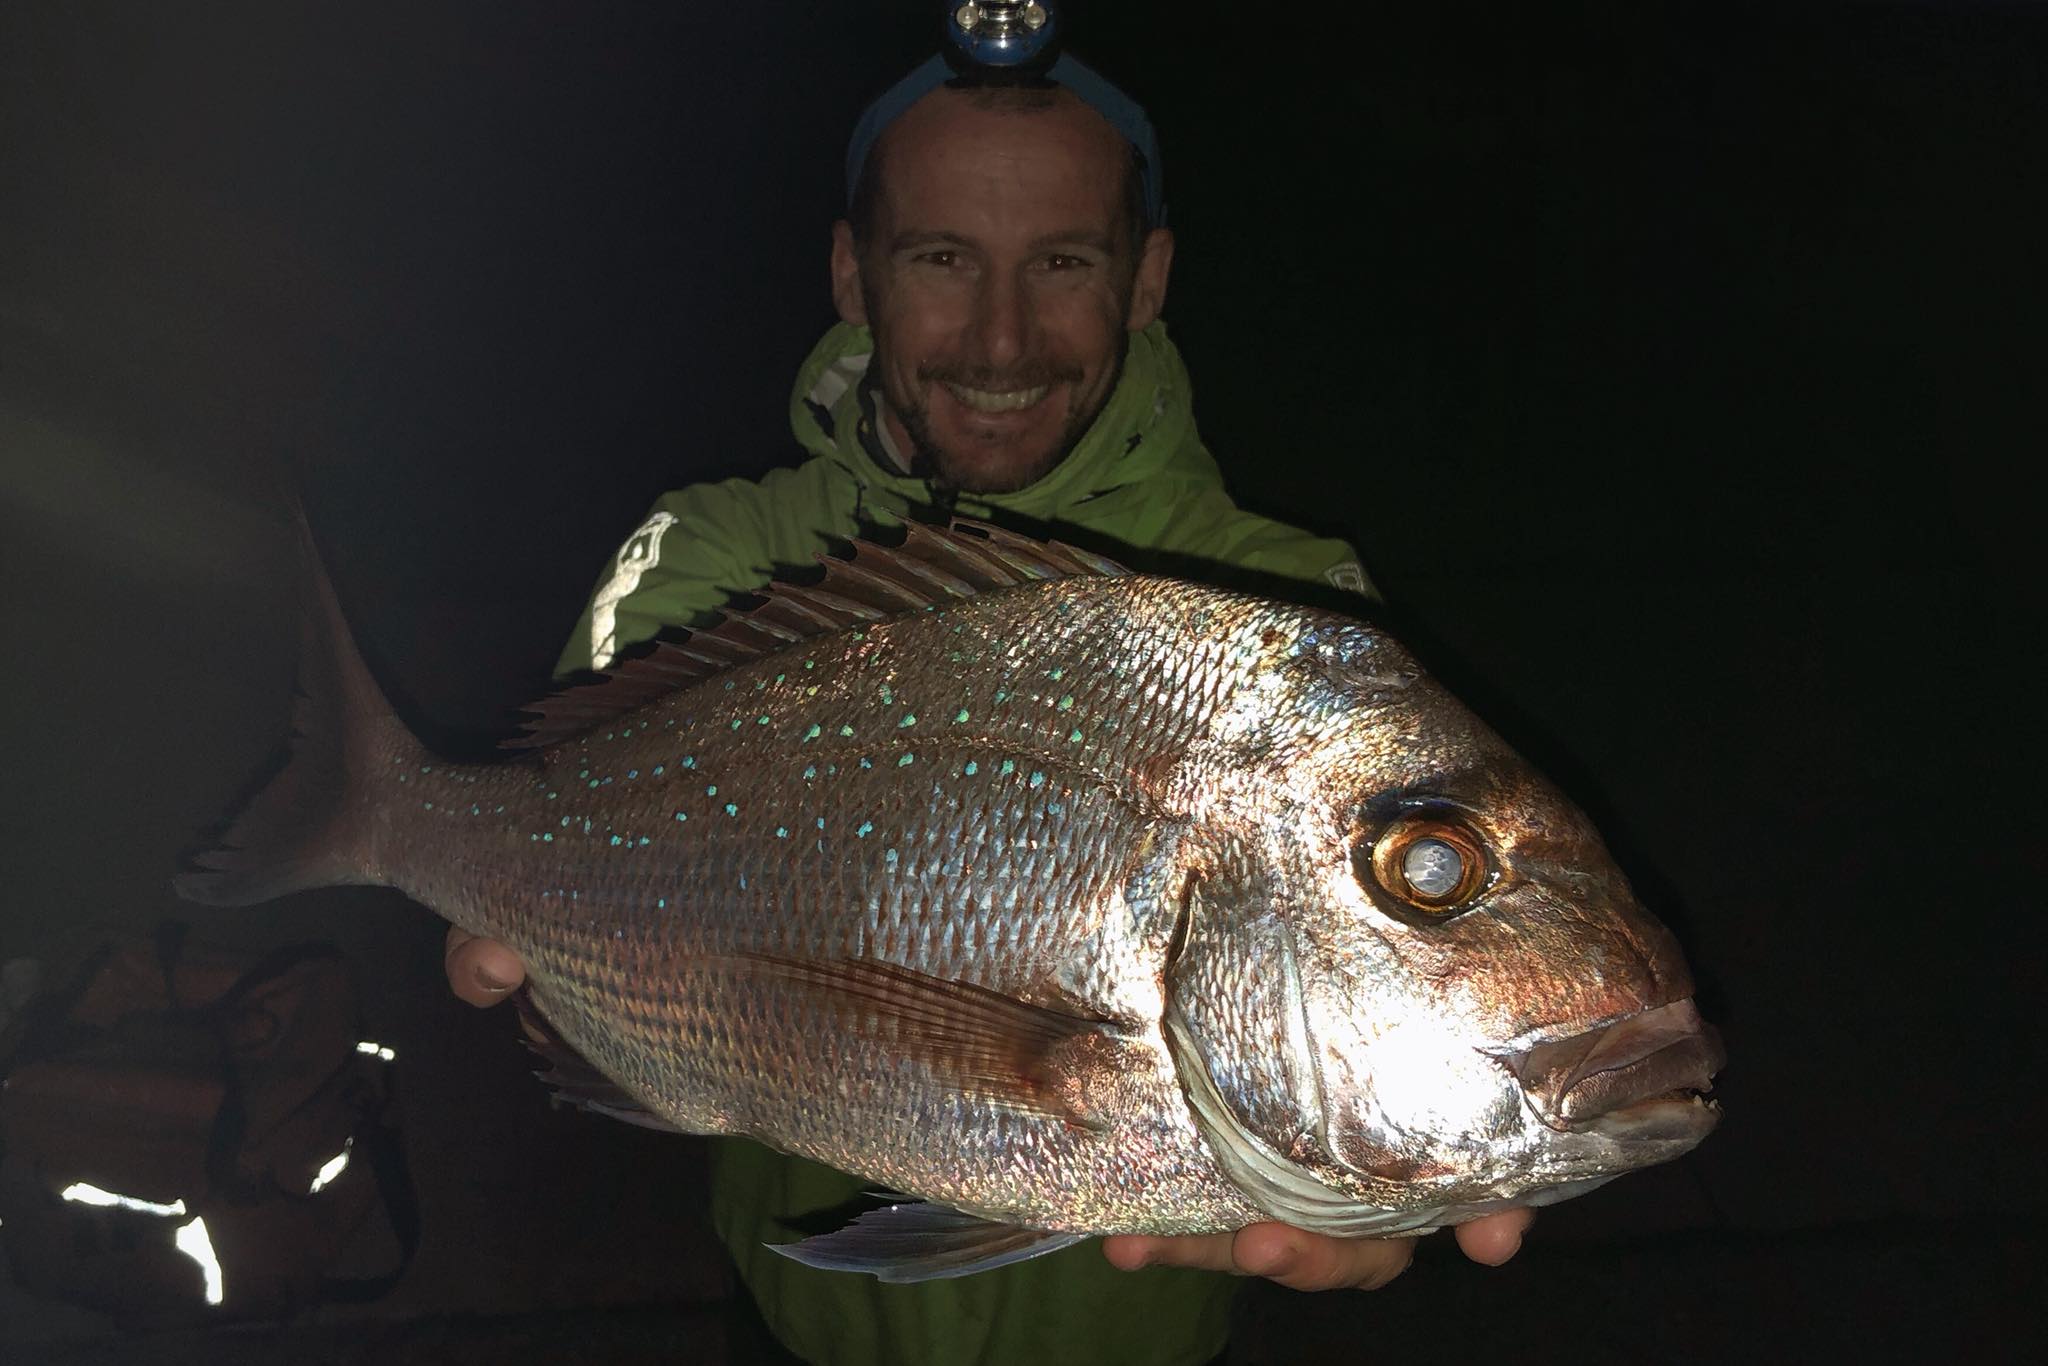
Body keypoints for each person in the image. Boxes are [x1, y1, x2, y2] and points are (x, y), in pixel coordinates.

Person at [447, 53, 1532, 1366]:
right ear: (854, 275)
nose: (1002, 339)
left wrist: (1403, 1134)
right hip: (798, 1333)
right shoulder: (712, 560)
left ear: (1148, 281)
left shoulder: (1288, 615)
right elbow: (552, 830)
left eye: (1065, 262)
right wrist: (493, 890)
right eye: (943, 260)